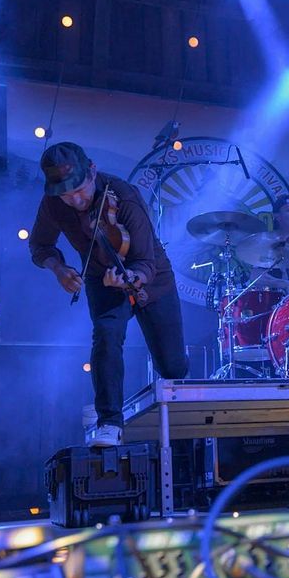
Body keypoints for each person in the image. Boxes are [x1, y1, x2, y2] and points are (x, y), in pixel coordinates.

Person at [29, 142, 188, 447]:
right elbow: (39, 245)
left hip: (152, 279)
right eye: (66, 195)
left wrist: (130, 278)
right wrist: (58, 269)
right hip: (100, 277)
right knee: (106, 336)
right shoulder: (52, 204)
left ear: (92, 171)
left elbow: (145, 262)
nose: (76, 200)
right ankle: (110, 422)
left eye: (80, 190)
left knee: (172, 367)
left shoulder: (124, 196)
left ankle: (179, 418)